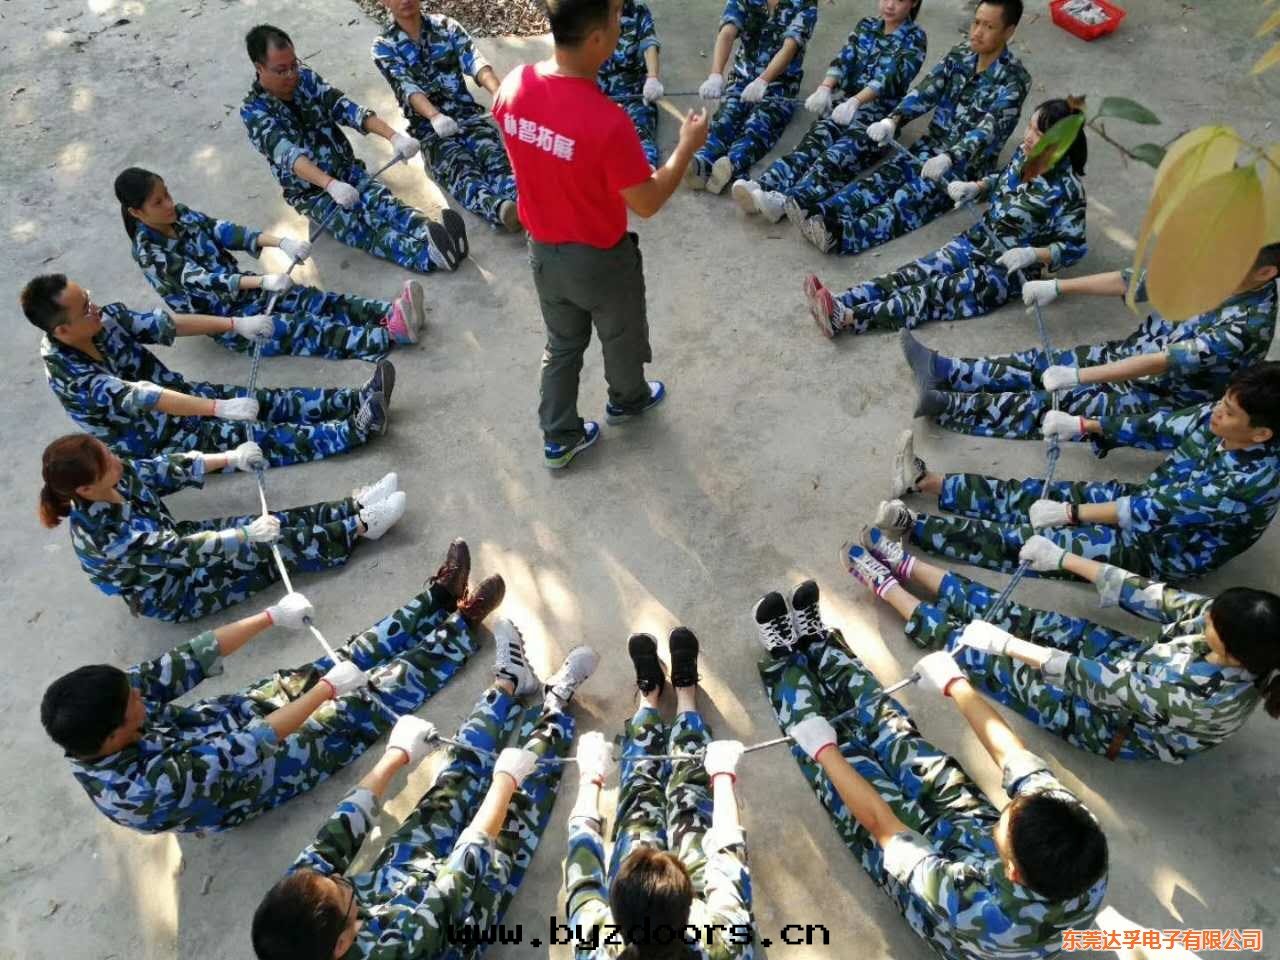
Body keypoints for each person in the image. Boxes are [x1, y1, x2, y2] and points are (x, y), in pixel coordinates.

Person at [40, 541, 507, 833]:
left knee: (342, 659)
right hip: (259, 772)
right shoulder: (143, 790)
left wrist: (270, 617)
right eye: (133, 702)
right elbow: (252, 744)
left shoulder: (111, 704)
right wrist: (325, 692)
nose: (140, 694)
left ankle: (437, 598)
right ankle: (460, 629)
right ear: (112, 737)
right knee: (361, 704)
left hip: (231, 715)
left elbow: (188, 659)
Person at [753, 581, 1108, 959]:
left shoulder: (980, 909)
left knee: (853, 775)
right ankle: (819, 647)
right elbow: (1014, 756)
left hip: (944, 894)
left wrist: (825, 752)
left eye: (1005, 823)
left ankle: (786, 666)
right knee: (897, 736)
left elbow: (883, 826)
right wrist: (955, 683)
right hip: (977, 837)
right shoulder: (1075, 832)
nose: (1009, 805)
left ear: (1012, 871)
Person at [251, 630, 598, 959]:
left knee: (450, 787)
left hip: (395, 879)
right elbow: (463, 870)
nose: (339, 877)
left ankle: (508, 682)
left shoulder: (295, 912)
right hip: (452, 918)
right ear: (341, 945)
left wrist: (396, 754)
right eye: (341, 889)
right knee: (513, 818)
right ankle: (554, 709)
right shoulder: (400, 952)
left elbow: (334, 836)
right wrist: (505, 781)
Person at [493, 0, 709, 469]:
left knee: (562, 344)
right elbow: (647, 201)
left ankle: (559, 437)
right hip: (601, 259)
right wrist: (686, 147)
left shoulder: (513, 85)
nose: (620, 22)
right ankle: (628, 399)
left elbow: (521, 144)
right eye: (614, 16)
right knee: (621, 332)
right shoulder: (607, 122)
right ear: (596, 38)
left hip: (543, 251)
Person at [846, 529, 1280, 763]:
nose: (1204, 615)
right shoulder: (1229, 625)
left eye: (1211, 623)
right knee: (1021, 616)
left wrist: (1008, 646)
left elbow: (1098, 682)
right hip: (1133, 664)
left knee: (986, 656)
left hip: (1112, 718)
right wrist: (1062, 558)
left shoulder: (1203, 701)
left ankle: (889, 589)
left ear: (1233, 654)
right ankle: (908, 566)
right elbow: (1157, 597)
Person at [876, 363, 1280, 581]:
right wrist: (1086, 425)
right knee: (1036, 493)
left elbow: (1154, 511)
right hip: (1151, 498)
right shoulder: (1223, 419)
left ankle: (915, 528)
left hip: (1165, 548)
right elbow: (1157, 425)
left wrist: (1070, 514)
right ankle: (924, 483)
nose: (1216, 411)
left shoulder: (1249, 485)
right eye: (1222, 401)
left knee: (1037, 544)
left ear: (1261, 434)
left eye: (1229, 412)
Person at [904, 244, 1280, 441]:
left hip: (1160, 394)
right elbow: (1135, 280)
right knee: (1043, 363)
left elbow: (1162, 362)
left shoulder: (1247, 325)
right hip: (1134, 352)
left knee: (1055, 403)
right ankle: (945, 369)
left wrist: (1079, 377)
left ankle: (949, 405)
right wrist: (1057, 286)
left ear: (1266, 271)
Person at [25, 274, 391, 466]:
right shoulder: (73, 378)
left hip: (180, 395)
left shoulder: (102, 320)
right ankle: (354, 430)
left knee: (264, 401)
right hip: (159, 439)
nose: (95, 308)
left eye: (88, 298)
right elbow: (145, 397)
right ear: (63, 331)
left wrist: (236, 324)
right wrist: (217, 409)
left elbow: (166, 325)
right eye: (85, 309)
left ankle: (354, 399)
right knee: (257, 437)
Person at [39, 434, 408, 622]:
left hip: (178, 540)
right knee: (266, 547)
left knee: (271, 522)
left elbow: (164, 469)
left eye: (108, 452)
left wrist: (230, 458)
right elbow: (180, 551)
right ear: (86, 490)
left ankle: (351, 507)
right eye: (107, 463)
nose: (117, 461)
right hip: (176, 588)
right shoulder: (107, 538)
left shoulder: (113, 475)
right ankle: (359, 527)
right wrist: (245, 537)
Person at [803, 97, 1087, 338]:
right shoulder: (1025, 155)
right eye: (1030, 127)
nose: (1029, 136)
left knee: (934, 291)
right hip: (979, 238)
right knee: (912, 273)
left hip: (1006, 269)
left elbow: (1073, 248)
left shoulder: (1068, 191)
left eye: (1039, 134)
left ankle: (848, 317)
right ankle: (841, 299)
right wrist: (975, 187)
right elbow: (1002, 180)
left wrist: (1031, 254)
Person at [564, 629, 755, 958]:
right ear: (688, 915)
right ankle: (685, 698)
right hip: (699, 898)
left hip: (660, 915)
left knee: (638, 804)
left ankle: (649, 699)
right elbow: (728, 853)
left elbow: (581, 870)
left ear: (615, 920)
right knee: (691, 803)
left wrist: (591, 775)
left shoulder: (600, 948)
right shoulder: (722, 943)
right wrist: (722, 773)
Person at [796, 0, 1029, 256]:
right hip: (931, 145)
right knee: (882, 178)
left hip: (966, 166)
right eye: (976, 22)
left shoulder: (1015, 81)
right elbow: (927, 90)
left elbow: (988, 129)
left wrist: (950, 157)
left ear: (1009, 31)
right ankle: (825, 211)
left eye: (989, 27)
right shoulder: (961, 54)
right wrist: (893, 120)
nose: (977, 32)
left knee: (909, 198)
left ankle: (844, 236)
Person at [116, 167, 425, 359]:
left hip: (246, 290)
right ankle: (386, 335)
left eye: (167, 194)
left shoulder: (180, 215)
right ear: (136, 213)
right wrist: (262, 281)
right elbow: (205, 280)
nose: (169, 204)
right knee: (300, 328)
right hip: (229, 320)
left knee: (311, 299)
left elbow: (223, 230)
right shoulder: (150, 254)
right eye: (158, 202)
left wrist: (281, 243)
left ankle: (388, 313)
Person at [241, 23, 468, 274]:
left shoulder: (306, 80)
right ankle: (428, 257)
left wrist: (394, 137)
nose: (291, 74)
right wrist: (330, 185)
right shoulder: (254, 111)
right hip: (313, 192)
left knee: (387, 205)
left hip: (347, 171)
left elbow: (345, 107)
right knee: (365, 228)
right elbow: (289, 156)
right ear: (259, 68)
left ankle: (438, 238)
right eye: (281, 70)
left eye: (294, 64)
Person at [732, 0, 927, 222]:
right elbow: (843, 60)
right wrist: (825, 88)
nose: (889, 5)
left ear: (914, 3)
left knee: (833, 159)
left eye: (899, 0)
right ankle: (764, 184)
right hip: (840, 106)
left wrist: (855, 102)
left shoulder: (915, 39)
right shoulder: (867, 25)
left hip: (877, 122)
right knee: (810, 146)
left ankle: (788, 201)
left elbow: (889, 78)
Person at [372, 2, 521, 233]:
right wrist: (434, 116)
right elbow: (406, 86)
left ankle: (523, 201)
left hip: (467, 117)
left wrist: (501, 96)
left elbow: (475, 62)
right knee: (461, 170)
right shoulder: (384, 46)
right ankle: (500, 209)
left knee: (495, 158)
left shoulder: (446, 25)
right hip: (431, 133)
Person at [689, 0, 818, 196]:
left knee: (758, 126)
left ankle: (731, 164)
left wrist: (763, 81)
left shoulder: (805, 3)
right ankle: (703, 161)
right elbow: (727, 32)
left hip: (779, 84)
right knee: (725, 118)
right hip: (742, 77)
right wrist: (715, 75)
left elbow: (790, 47)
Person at [598, 0, 665, 169]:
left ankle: (646, 172)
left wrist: (652, 77)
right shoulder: (588, 10)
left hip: (633, 92)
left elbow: (649, 43)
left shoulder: (638, 10)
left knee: (640, 134)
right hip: (595, 93)